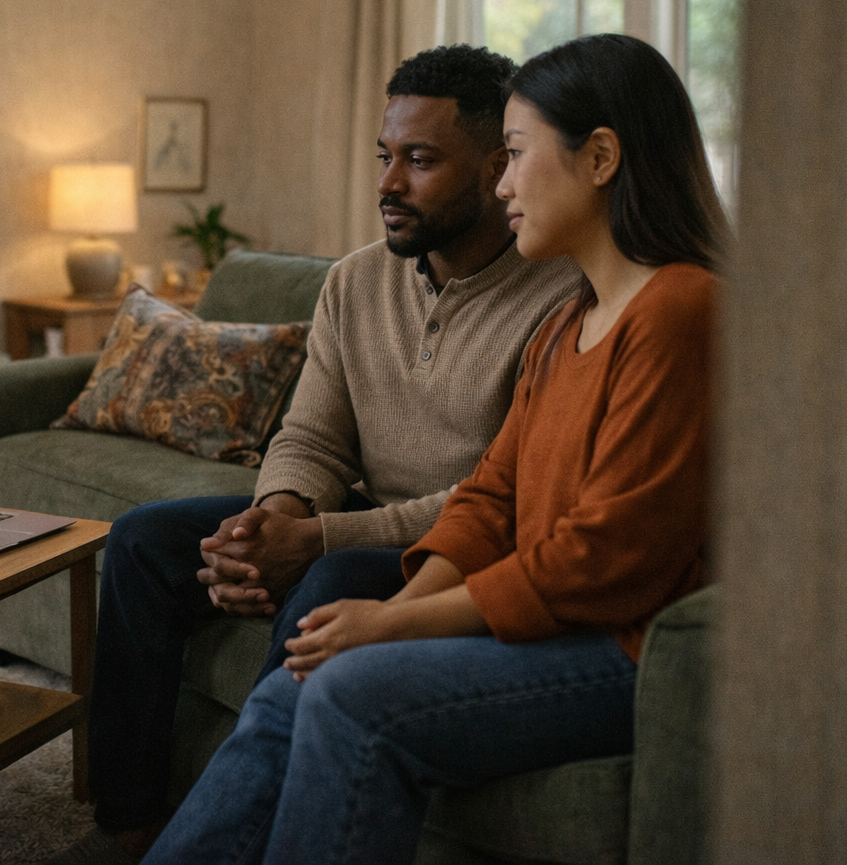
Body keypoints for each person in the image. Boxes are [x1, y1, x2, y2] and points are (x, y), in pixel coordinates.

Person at [139, 32, 730, 865]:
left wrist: (392, 622)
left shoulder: (681, 310)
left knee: (347, 693)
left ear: (600, 158)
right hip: (559, 619)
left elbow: (608, 560)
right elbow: (493, 501)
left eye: (517, 156)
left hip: (633, 649)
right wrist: (396, 617)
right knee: (298, 683)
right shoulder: (571, 322)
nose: (505, 182)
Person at [49, 45, 580, 865]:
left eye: (420, 160)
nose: (388, 184)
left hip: (451, 547)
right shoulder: (356, 281)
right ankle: (129, 822)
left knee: (328, 578)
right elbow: (311, 435)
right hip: (350, 513)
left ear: (494, 169)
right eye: (384, 156)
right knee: (145, 541)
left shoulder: (558, 296)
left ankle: (253, 831)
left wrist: (318, 542)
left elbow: (498, 496)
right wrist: (274, 519)